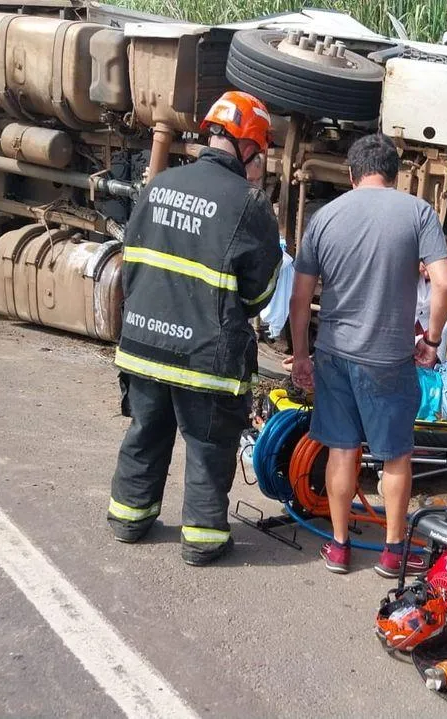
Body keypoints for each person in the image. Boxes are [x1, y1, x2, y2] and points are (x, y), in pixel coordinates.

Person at [107, 91, 283, 566]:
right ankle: (202, 541)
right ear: (249, 147)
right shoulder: (248, 203)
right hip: (204, 359)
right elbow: (260, 294)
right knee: (208, 447)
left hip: (142, 343)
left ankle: (129, 518)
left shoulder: (160, 185)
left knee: (145, 432)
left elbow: (130, 264)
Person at [288, 132, 447, 577]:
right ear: (395, 176)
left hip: (335, 354)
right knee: (396, 455)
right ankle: (393, 552)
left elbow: (300, 299)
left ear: (350, 173)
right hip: (388, 358)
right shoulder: (417, 212)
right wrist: (433, 340)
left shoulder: (324, 217)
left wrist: (302, 354)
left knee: (343, 451)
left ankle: (340, 547)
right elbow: (444, 283)